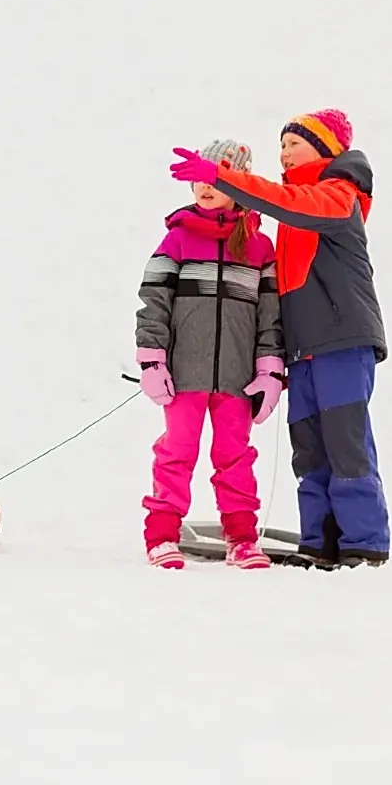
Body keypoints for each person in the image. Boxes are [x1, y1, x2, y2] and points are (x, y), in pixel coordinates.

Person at [168, 109, 390, 567]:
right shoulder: (293, 203)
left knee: (345, 441)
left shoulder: (337, 194)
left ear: (327, 148)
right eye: (282, 145)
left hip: (341, 340)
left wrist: (224, 179)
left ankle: (363, 542)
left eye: (294, 143)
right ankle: (320, 541)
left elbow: (282, 201)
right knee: (309, 447)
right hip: (302, 349)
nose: (284, 152)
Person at [136, 140, 285, 570]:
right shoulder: (178, 239)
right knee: (176, 452)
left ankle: (241, 538)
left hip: (238, 378)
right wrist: (152, 359)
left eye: (215, 179)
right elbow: (153, 302)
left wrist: (270, 367)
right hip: (185, 374)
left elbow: (270, 315)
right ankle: (162, 536)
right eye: (199, 179)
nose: (205, 187)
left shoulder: (259, 248)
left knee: (235, 456)